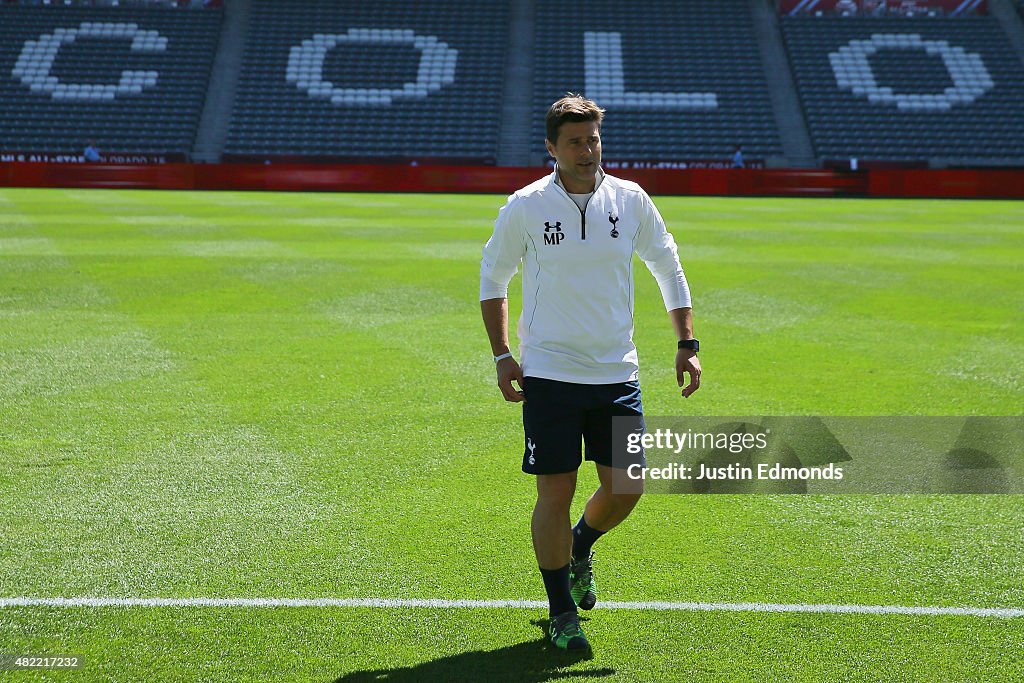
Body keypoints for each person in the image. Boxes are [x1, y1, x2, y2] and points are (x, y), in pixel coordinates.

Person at [479, 94, 700, 652]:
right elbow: (493, 280)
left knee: (627, 487)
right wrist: (504, 355)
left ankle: (582, 545)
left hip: (616, 372)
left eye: (594, 138)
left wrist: (686, 341)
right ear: (552, 148)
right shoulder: (525, 206)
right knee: (556, 489)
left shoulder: (630, 199)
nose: (587, 149)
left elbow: (666, 263)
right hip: (550, 374)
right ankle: (560, 611)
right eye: (575, 141)